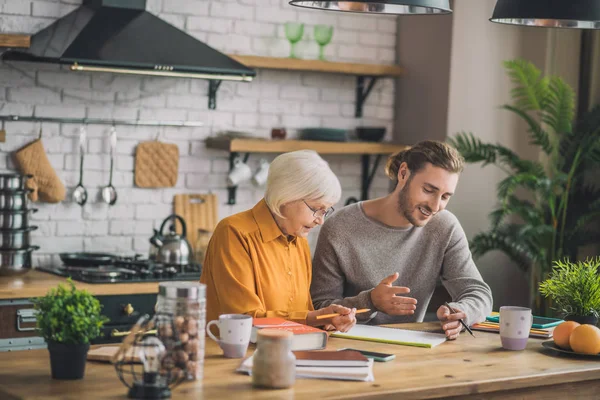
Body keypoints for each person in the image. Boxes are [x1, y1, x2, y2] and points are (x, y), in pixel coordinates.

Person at [311, 140, 493, 339]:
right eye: (429, 190)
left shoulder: (444, 227)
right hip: (347, 347)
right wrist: (370, 301)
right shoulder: (340, 227)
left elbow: (478, 293)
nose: (435, 206)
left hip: (413, 349)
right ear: (404, 173)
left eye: (445, 196)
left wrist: (461, 312)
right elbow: (319, 308)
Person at [201, 150, 356, 332]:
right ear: (287, 196)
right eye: (316, 209)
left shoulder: (299, 240)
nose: (321, 220)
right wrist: (312, 318)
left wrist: (325, 320)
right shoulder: (233, 233)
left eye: (325, 211)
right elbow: (242, 319)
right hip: (234, 356)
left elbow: (302, 313)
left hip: (289, 352)